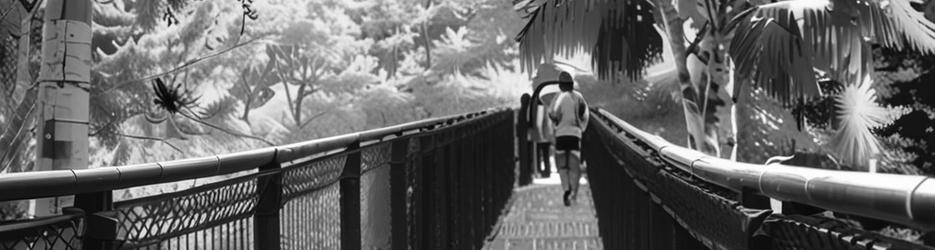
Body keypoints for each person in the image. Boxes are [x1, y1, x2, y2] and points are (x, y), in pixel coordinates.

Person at [548, 71, 589, 206]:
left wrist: (557, 123)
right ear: (572, 84)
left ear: (560, 86)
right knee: (574, 166)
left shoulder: (558, 97)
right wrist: (581, 128)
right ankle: (574, 194)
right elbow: (584, 115)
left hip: (561, 135)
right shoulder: (579, 97)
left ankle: (566, 189)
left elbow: (552, 114)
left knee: (562, 166)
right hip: (574, 135)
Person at [533, 93, 555, 177]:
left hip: (542, 134)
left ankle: (543, 171)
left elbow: (539, 122)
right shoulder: (550, 107)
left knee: (541, 153)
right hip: (549, 133)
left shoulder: (541, 107)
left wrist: (540, 134)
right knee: (546, 154)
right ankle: (547, 171)